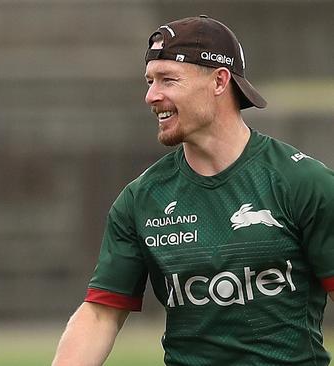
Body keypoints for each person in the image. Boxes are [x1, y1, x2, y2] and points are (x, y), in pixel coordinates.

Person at [52, 15, 334, 366]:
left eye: (168, 80)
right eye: (150, 81)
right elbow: (100, 314)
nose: (151, 96)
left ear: (219, 81)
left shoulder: (303, 182)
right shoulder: (141, 199)